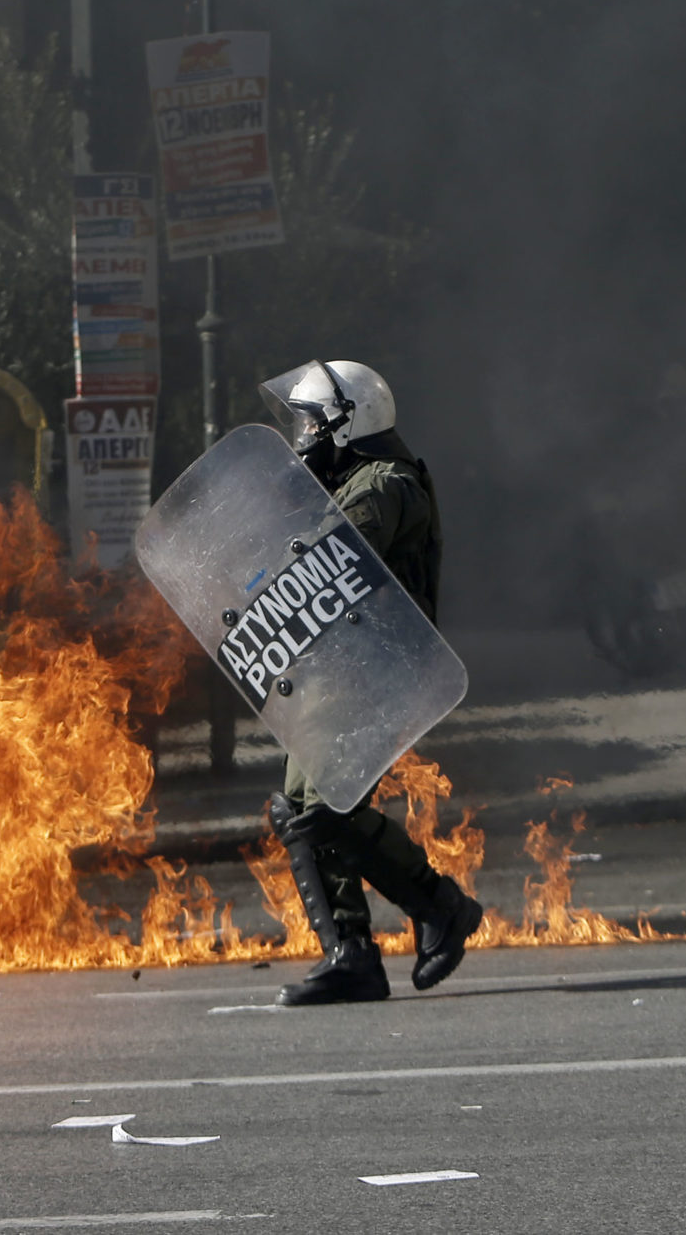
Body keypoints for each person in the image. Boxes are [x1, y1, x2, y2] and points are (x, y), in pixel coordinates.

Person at [259, 359, 485, 1006]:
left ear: (345, 422)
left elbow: (335, 556)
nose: (303, 435)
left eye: (311, 422)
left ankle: (438, 905)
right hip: (339, 671)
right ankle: (351, 953)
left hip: (380, 670)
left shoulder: (384, 483)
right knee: (300, 809)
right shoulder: (351, 481)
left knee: (322, 810)